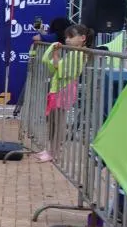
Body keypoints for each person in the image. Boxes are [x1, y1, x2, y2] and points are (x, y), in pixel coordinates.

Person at [36, 25, 88, 162]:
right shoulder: (74, 53)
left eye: (71, 37)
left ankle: (54, 151)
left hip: (64, 89)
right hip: (60, 88)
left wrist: (55, 55)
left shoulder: (79, 54)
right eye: (67, 37)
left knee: (58, 121)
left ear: (82, 38)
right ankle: (51, 149)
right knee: (53, 120)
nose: (67, 40)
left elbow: (62, 71)